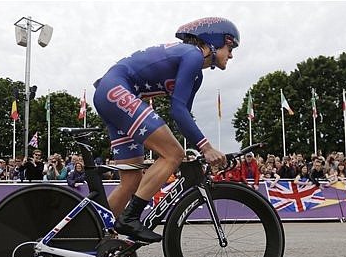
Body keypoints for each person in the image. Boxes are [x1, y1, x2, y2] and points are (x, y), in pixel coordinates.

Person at [92, 17, 239, 242]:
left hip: (112, 93)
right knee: (173, 153)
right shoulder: (192, 55)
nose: (231, 54)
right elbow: (177, 110)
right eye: (230, 47)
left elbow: (183, 118)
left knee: (131, 182)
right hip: (116, 90)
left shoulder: (196, 74)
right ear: (215, 41)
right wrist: (207, 148)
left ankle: (92, 233)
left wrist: (199, 150)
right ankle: (129, 218)